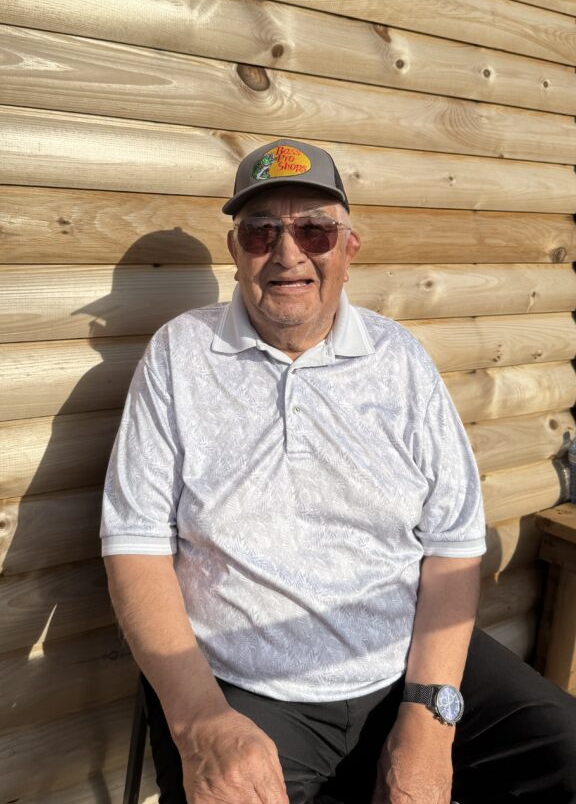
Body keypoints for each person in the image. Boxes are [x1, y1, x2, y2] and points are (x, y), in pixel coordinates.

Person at [101, 138, 576, 804]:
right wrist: (199, 720)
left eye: (315, 230)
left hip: (402, 660)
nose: (289, 252)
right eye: (262, 232)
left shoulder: (400, 359)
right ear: (237, 252)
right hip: (248, 684)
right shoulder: (181, 356)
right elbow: (135, 545)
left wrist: (428, 720)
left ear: (347, 250)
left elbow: (453, 542)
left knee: (564, 748)